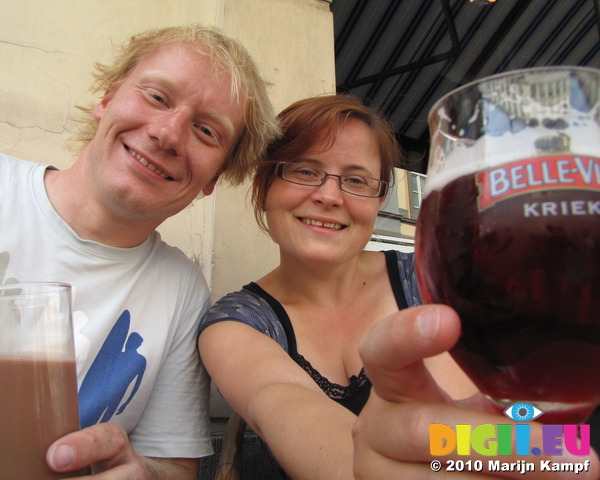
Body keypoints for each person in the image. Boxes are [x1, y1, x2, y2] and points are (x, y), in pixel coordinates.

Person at [198, 94, 600, 479]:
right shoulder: (234, 324)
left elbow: (540, 442)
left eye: (356, 180)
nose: (329, 195)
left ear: (379, 200)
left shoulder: (437, 277)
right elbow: (283, 403)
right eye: (304, 170)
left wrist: (534, 445)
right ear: (265, 185)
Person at [0, 24, 278, 479]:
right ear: (107, 99)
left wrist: (144, 474)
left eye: (206, 131)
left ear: (213, 180)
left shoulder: (182, 290)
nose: (168, 133)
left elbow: (173, 468)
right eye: (156, 97)